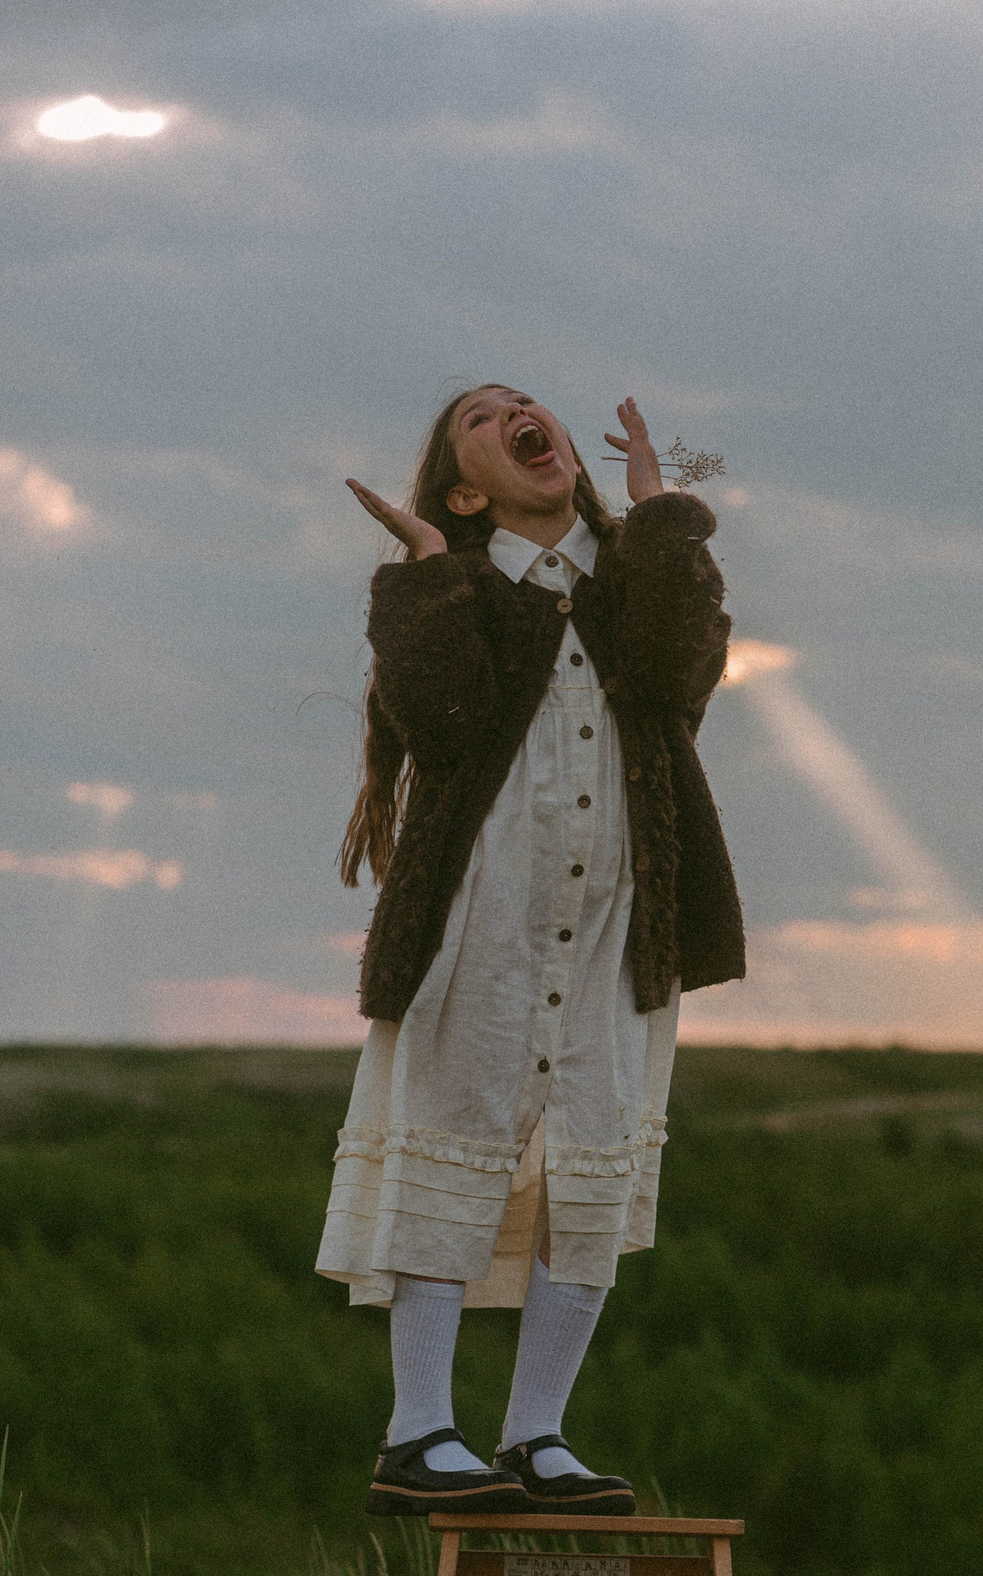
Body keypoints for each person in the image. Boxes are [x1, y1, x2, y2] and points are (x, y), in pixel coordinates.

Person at [314, 385, 745, 1517]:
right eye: (481, 419)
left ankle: (536, 1435)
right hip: (478, 921)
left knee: (588, 1165)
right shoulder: (455, 588)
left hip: (615, 929)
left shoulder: (625, 586)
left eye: (525, 404)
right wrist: (421, 566)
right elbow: (442, 717)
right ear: (466, 490)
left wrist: (658, 513)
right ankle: (418, 1433)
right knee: (452, 1140)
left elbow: (678, 670)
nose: (517, 413)